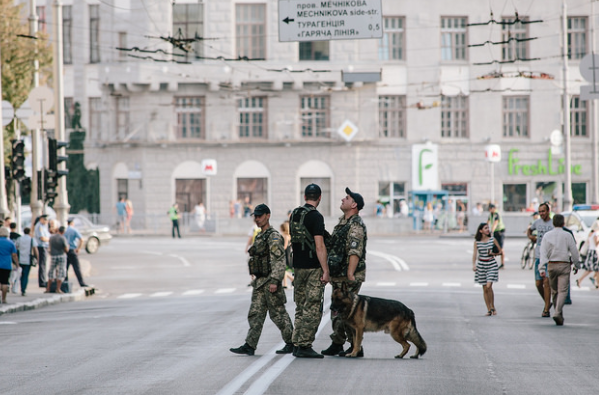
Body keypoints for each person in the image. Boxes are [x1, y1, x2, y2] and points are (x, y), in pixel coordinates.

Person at [230, 204, 294, 356]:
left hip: (270, 281)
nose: (257, 219)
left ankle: (292, 342)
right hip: (260, 282)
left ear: (268, 215)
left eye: (260, 216)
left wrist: (275, 281)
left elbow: (279, 260)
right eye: (255, 216)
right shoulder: (260, 236)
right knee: (255, 314)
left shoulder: (273, 236)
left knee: (278, 314)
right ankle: (250, 345)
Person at [321, 187, 368, 357]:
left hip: (348, 276)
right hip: (338, 275)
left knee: (344, 311)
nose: (342, 199)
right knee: (340, 311)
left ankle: (346, 344)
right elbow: (334, 245)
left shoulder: (355, 225)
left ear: (354, 204)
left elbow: (354, 251)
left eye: (346, 198)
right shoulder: (343, 223)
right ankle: (343, 343)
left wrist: (350, 274)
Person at [290, 184, 329, 358]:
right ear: (319, 198)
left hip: (298, 267)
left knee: (300, 306)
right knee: (312, 307)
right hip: (313, 267)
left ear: (305, 196)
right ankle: (305, 345)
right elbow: (319, 246)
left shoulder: (294, 214)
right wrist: (325, 270)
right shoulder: (316, 217)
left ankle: (297, 342)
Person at [538, 214, 580, 326]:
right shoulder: (567, 235)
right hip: (564, 265)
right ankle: (557, 312)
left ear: (553, 223)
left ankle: (559, 313)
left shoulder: (547, 236)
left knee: (555, 291)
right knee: (563, 291)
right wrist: (577, 265)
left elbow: (543, 252)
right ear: (563, 223)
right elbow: (574, 252)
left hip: (551, 265)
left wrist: (542, 268)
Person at [527, 202, 554, 317]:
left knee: (546, 282)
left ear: (548, 211)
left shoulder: (553, 224)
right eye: (540, 212)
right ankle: (547, 302)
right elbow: (529, 230)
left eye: (543, 211)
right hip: (539, 256)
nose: (541, 214)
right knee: (538, 284)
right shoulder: (537, 223)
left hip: (550, 258)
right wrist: (531, 237)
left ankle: (546, 309)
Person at [472, 223, 502, 316]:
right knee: (485, 288)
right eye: (485, 228)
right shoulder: (477, 242)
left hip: (491, 264)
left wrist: (493, 254)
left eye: (488, 228)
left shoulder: (492, 240)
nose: (488, 229)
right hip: (481, 265)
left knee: (489, 286)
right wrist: (474, 265)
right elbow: (474, 254)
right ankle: (489, 309)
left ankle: (492, 306)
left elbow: (500, 251)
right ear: (480, 231)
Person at [64, 219, 90, 288]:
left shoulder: (65, 230)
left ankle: (65, 282)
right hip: (73, 250)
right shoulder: (74, 230)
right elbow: (81, 239)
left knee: (65, 268)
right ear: (72, 223)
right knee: (77, 268)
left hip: (65, 251)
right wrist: (79, 248)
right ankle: (81, 282)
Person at [575, 220, 599, 289]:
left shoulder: (591, 233)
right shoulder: (596, 234)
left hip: (590, 251)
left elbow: (588, 242)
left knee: (591, 269)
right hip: (595, 252)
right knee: (596, 269)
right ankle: (597, 283)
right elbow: (596, 243)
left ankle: (580, 280)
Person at [15, 227, 38, 296]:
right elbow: (35, 249)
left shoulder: (19, 239)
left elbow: (16, 247)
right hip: (28, 259)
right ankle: (23, 289)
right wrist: (37, 258)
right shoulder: (31, 239)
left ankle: (20, 287)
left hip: (20, 259)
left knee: (20, 274)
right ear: (29, 232)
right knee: (25, 275)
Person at [46, 226, 69, 294]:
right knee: (61, 271)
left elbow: (49, 247)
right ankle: (58, 289)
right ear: (63, 232)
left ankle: (48, 288)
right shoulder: (62, 238)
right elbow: (66, 249)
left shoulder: (51, 237)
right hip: (61, 255)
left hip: (53, 256)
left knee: (51, 271)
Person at [0, 227, 19, 304]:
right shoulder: (10, 243)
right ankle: (3, 299)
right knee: (5, 282)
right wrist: (17, 264)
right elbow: (14, 255)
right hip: (6, 264)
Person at [34, 214, 50, 288]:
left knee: (44, 264)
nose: (46, 221)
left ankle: (43, 280)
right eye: (45, 219)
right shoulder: (39, 226)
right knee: (42, 265)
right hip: (41, 247)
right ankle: (42, 282)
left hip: (44, 247)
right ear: (41, 219)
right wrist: (50, 239)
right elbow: (42, 238)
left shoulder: (43, 226)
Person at [487, 204, 505, 268]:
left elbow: (495, 223)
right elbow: (488, 222)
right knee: (493, 247)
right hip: (495, 232)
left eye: (490, 209)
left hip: (500, 232)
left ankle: (502, 263)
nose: (490, 210)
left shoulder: (496, 214)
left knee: (501, 247)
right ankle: (491, 262)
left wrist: (491, 231)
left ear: (493, 208)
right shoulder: (491, 214)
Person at [280, 221, 294, 289]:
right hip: (287, 253)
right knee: (284, 269)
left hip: (285, 254)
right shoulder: (288, 235)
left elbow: (285, 246)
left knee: (284, 270)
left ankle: (286, 283)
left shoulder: (285, 236)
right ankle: (287, 282)